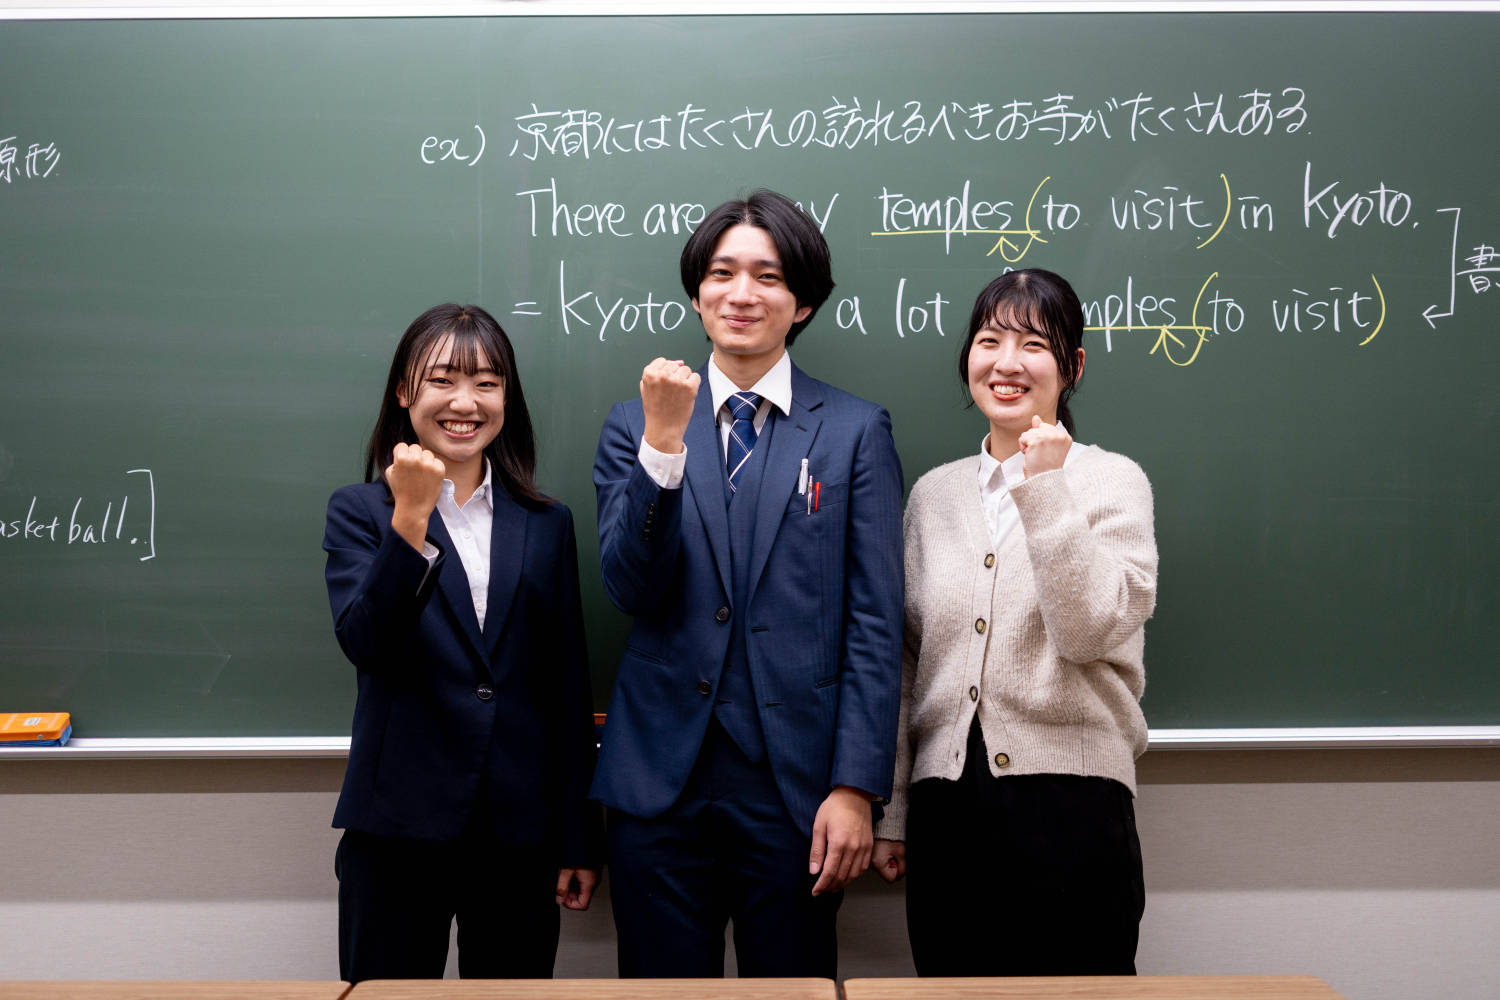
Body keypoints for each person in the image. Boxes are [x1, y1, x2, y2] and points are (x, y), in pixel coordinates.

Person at [591, 189, 905, 978]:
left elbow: (874, 622)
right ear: (697, 292)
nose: (741, 293)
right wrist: (663, 448)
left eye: (767, 276)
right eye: (722, 273)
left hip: (797, 786)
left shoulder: (855, 430)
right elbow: (631, 589)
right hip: (658, 782)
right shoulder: (633, 426)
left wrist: (857, 786)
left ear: (803, 303)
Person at [871, 269, 1157, 976]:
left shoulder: (1114, 481)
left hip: (1074, 805)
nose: (1006, 363)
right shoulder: (932, 496)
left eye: (1034, 344)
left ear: (1072, 366)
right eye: (989, 340)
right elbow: (906, 665)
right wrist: (895, 812)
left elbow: (1088, 630)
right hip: (947, 810)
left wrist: (1046, 487)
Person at [322, 303, 602, 982]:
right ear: (403, 392)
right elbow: (367, 642)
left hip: (519, 831)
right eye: (443, 380)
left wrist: (578, 836)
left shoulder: (547, 522)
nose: (465, 402)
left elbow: (566, 686)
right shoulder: (359, 512)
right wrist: (411, 518)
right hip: (396, 825)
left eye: (487, 383)